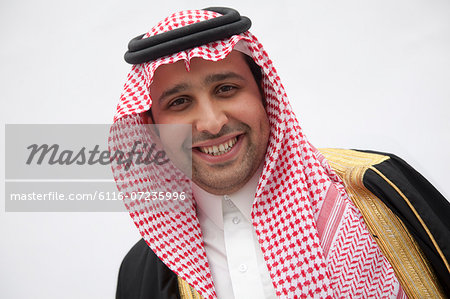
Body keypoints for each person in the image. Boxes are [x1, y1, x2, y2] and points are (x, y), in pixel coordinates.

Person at [110, 7, 450, 298]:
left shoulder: (376, 187)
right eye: (179, 103)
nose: (212, 124)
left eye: (226, 89)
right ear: (151, 126)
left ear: (263, 93)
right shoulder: (144, 272)